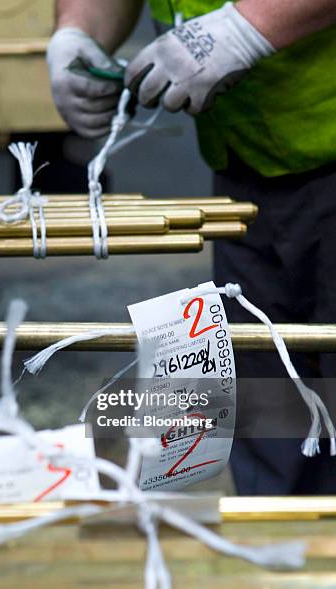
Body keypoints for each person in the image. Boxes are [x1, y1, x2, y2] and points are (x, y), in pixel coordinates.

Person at [47, 0, 336, 495]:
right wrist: (78, 31)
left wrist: (248, 27)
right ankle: (274, 553)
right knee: (268, 407)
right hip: (246, 161)